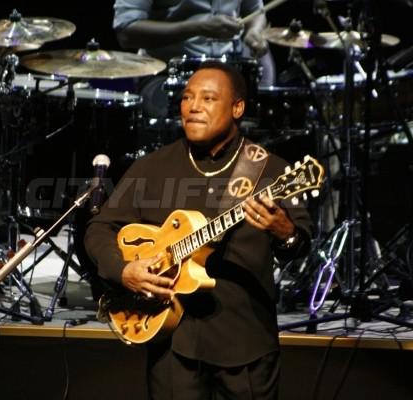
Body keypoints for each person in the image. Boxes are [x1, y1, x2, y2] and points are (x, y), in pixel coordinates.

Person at [84, 62, 312, 399]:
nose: (193, 107)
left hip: (244, 347)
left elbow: (300, 244)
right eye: (187, 97)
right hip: (172, 342)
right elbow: (99, 229)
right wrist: (123, 271)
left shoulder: (270, 170)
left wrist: (285, 231)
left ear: (237, 108)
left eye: (208, 98)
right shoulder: (152, 167)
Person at [112, 0, 276, 121]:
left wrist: (254, 31)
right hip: (167, 75)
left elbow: (256, 12)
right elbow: (126, 31)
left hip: (229, 73)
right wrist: (196, 27)